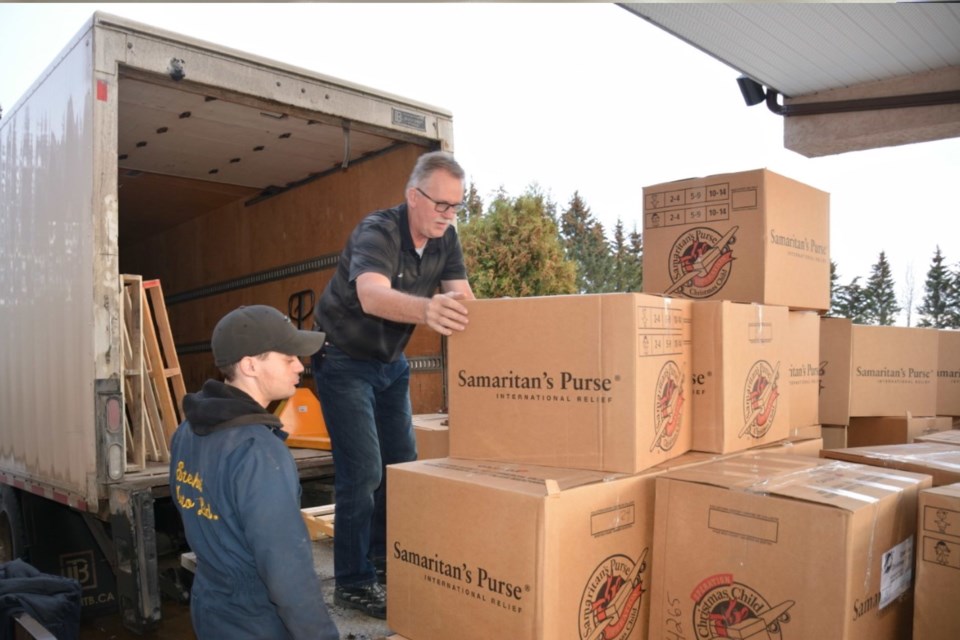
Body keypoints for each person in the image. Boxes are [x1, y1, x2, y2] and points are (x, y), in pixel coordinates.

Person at [312, 150, 474, 619]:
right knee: (362, 473)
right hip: (343, 360)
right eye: (441, 204)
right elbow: (371, 293)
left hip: (390, 364)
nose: (448, 215)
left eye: (456, 206)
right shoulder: (378, 230)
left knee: (400, 468)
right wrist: (426, 310)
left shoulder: (447, 241)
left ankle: (384, 563)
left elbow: (464, 300)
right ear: (413, 197)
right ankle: (353, 582)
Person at [169, 305, 339, 640]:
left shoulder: (186, 431)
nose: (300, 366)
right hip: (257, 622)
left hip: (211, 608)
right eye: (288, 357)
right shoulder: (258, 451)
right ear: (250, 365)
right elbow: (286, 569)